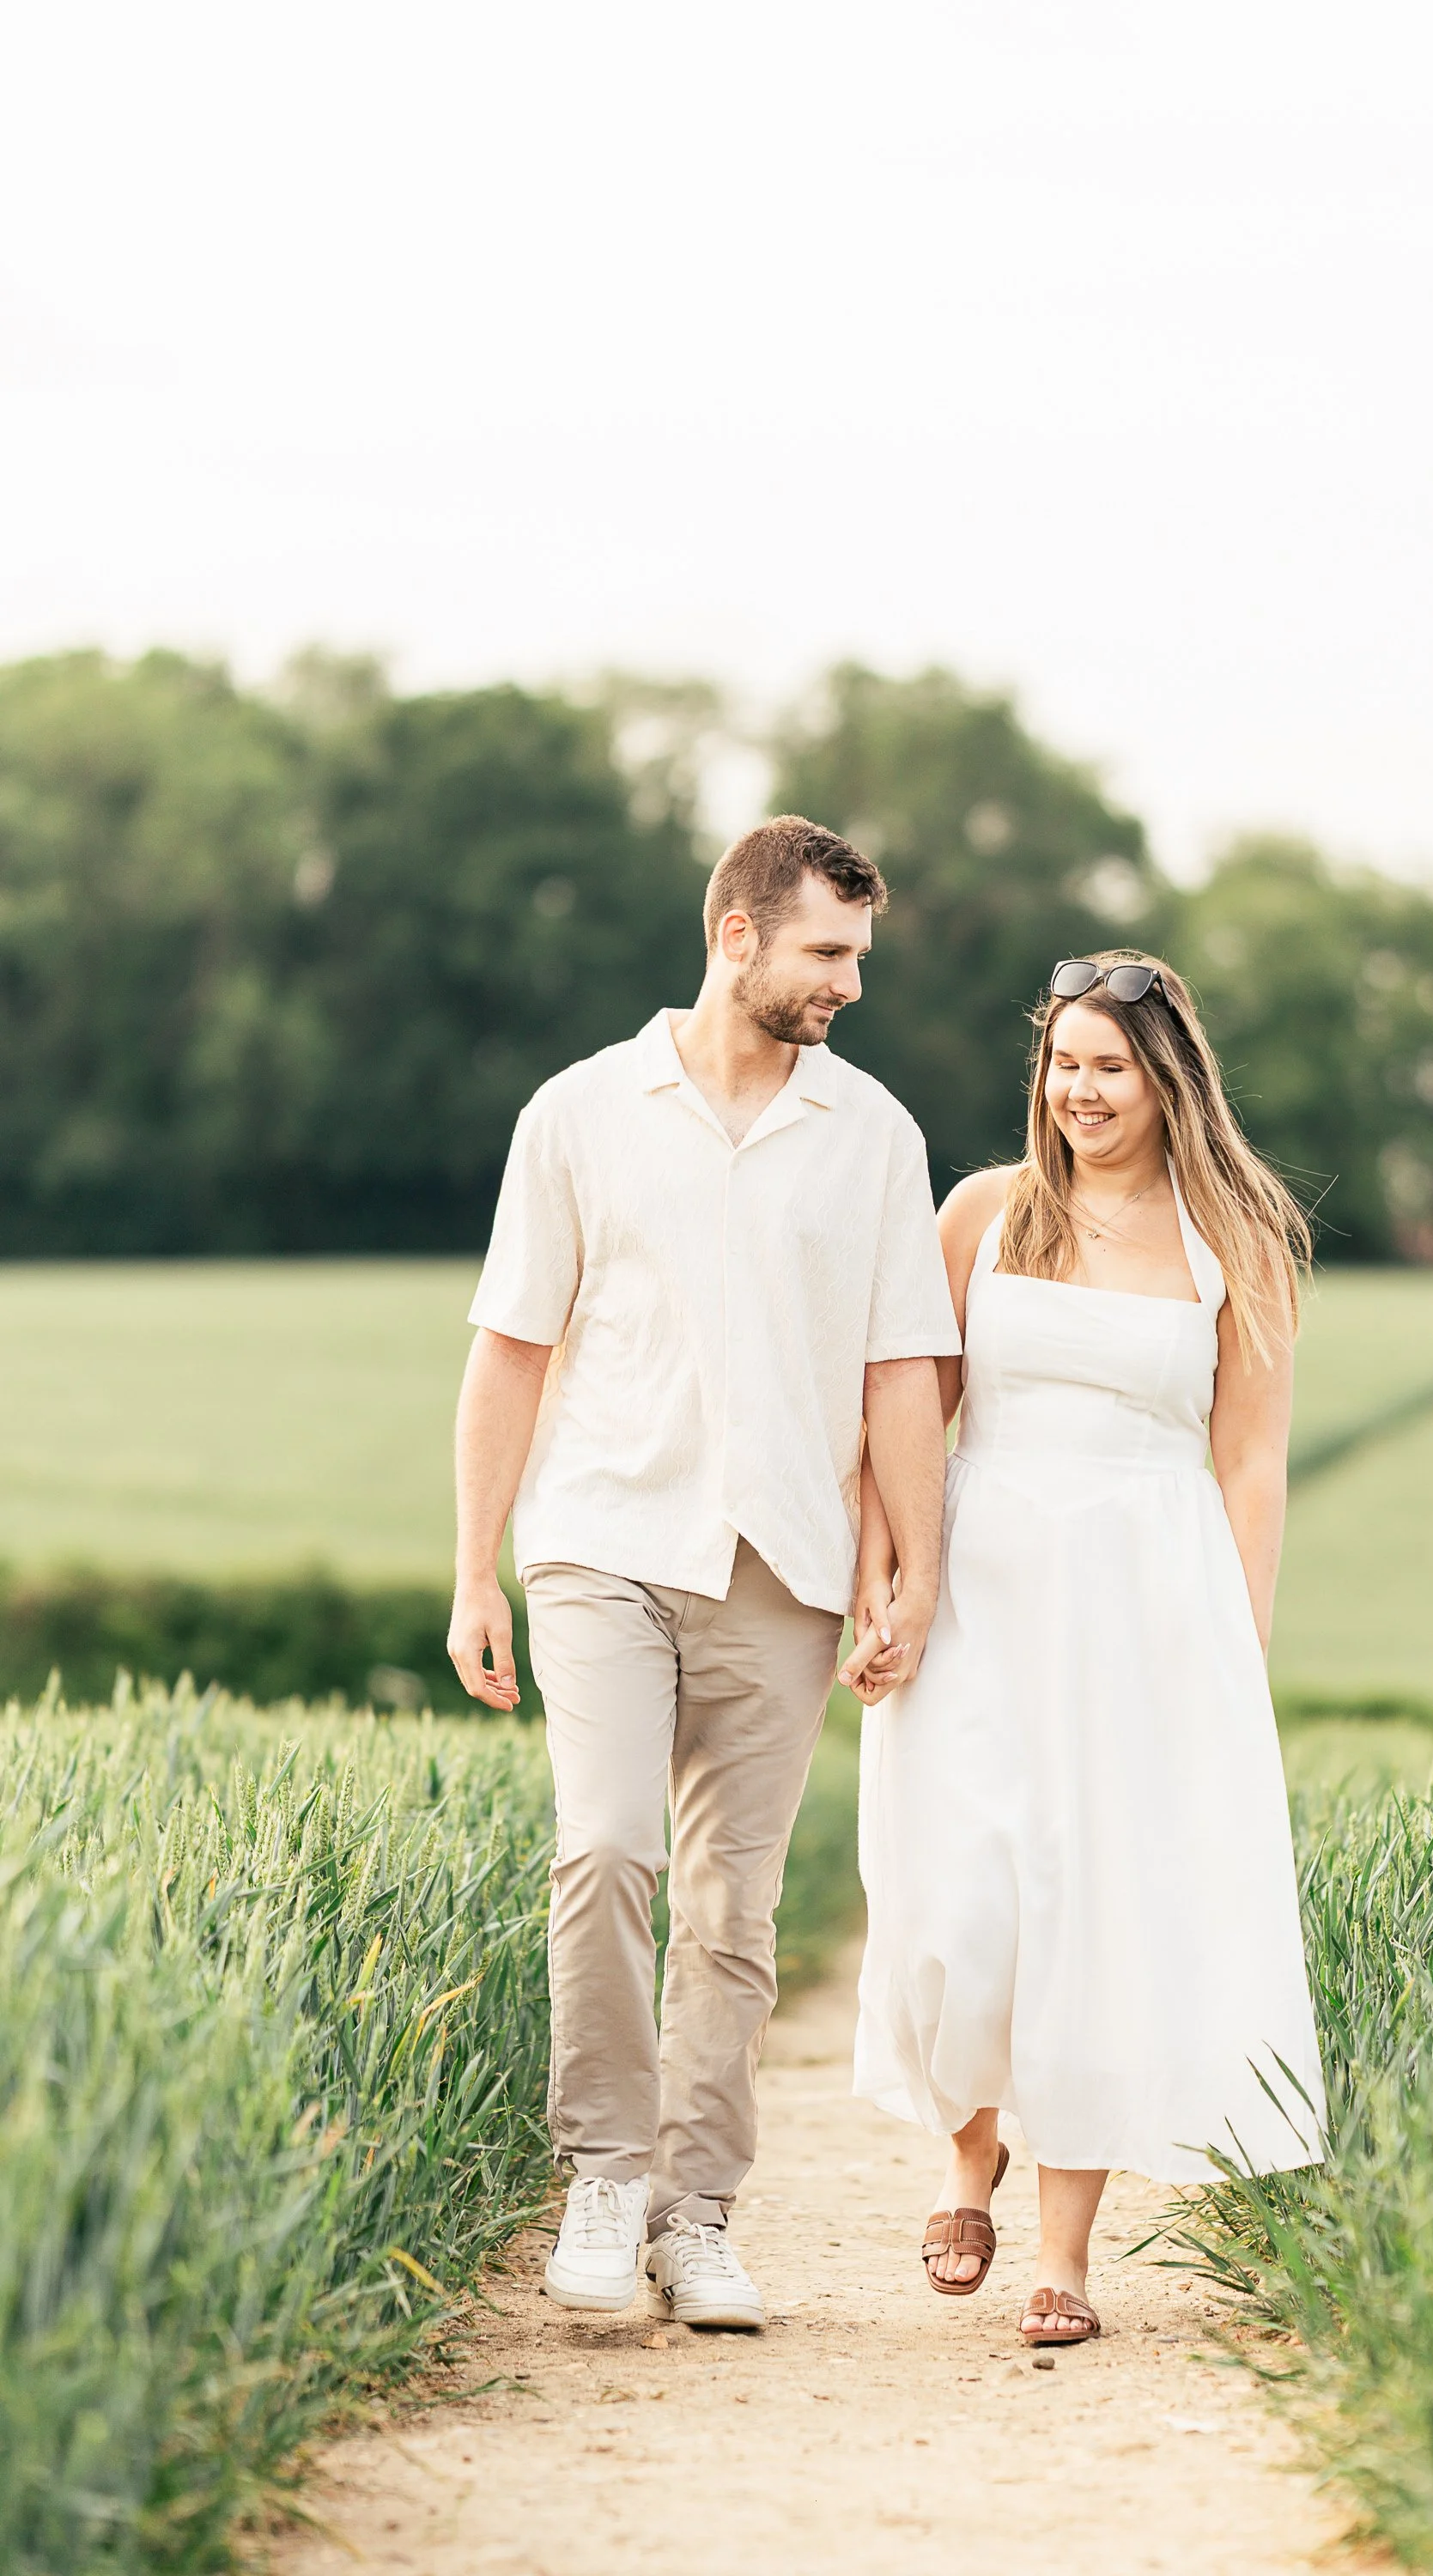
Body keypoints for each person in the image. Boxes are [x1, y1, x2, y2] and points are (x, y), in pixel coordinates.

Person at [447, 817, 959, 2332]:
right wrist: (475, 1570)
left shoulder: (872, 1134)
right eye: (828, 952)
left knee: (735, 1911)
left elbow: (901, 1372)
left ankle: (698, 2211)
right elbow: (512, 1347)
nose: (850, 982)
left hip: (786, 1565)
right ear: (735, 934)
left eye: (858, 955)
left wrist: (910, 1572)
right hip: (603, 1537)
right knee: (606, 1851)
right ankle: (604, 2175)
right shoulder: (581, 1113)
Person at [847, 951, 1327, 2347]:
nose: (1079, 1090)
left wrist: (1233, 1651)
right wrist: (883, 1579)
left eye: (1108, 1067)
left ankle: (1065, 2257)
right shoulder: (983, 1216)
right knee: (960, 1903)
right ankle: (966, 2146)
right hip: (981, 1584)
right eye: (1063, 1063)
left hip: (1144, 1604)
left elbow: (1250, 1467)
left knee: (1095, 1912)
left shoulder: (1231, 1245)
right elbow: (906, 1415)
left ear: (1166, 1080)